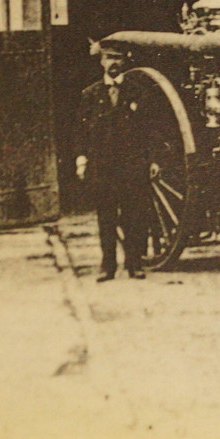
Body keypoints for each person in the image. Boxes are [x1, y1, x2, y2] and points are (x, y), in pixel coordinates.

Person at [74, 44, 149, 283]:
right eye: (108, 59)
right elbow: (81, 132)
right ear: (101, 62)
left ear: (124, 62)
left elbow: (150, 130)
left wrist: (152, 160)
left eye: (117, 58)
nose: (113, 63)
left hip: (131, 164)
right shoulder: (90, 94)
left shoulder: (137, 92)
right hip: (102, 164)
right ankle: (107, 266)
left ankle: (134, 263)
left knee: (133, 216)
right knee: (106, 216)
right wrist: (81, 160)